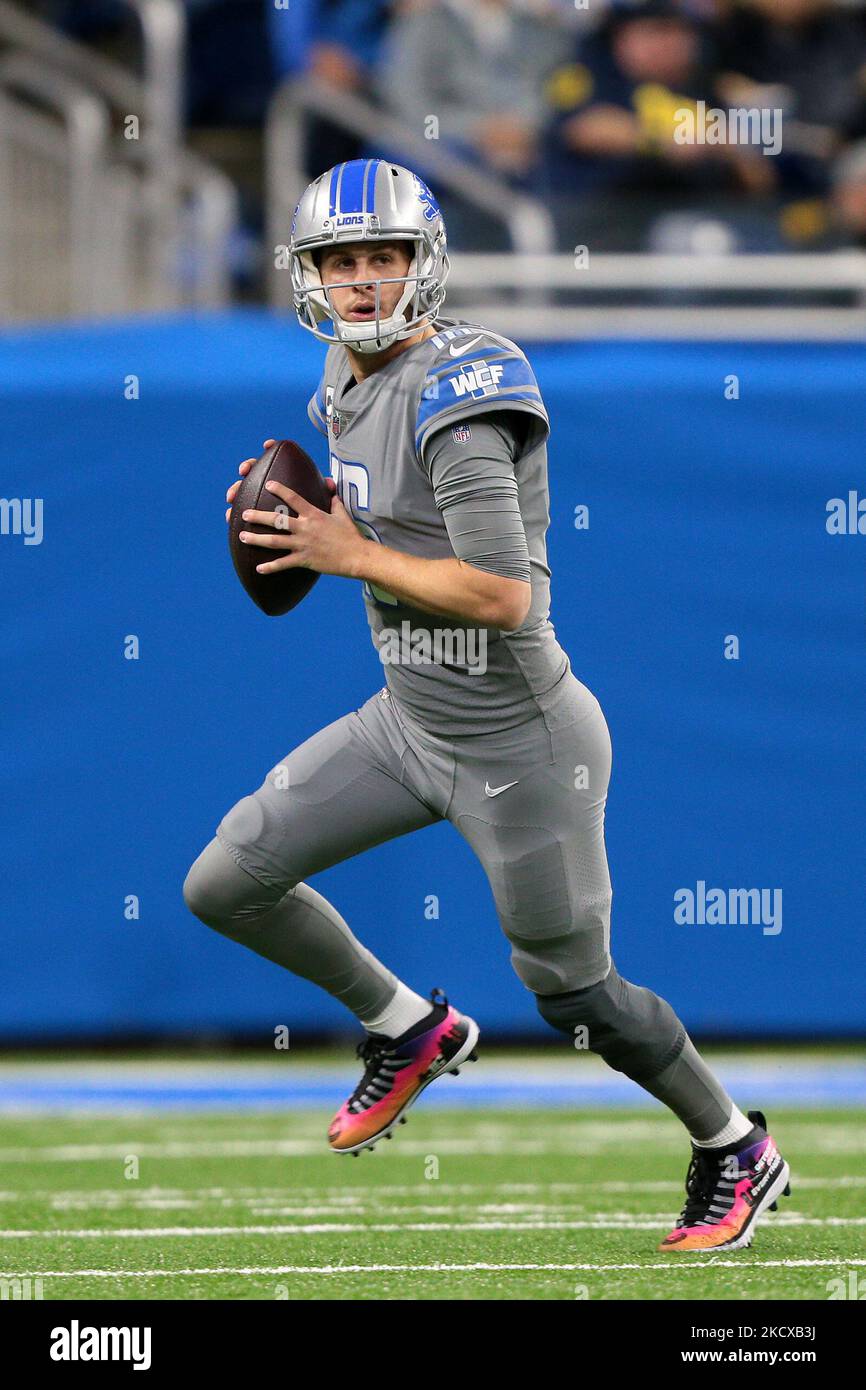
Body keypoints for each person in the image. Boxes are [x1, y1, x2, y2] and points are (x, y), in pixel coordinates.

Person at [183, 158, 791, 1252]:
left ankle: (732, 1142)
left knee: (575, 996)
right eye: (340, 260)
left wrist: (340, 546)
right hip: (409, 720)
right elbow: (377, 524)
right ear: (307, 270)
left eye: (383, 259)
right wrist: (309, 517)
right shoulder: (340, 371)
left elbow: (502, 595)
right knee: (226, 879)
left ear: (424, 264)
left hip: (520, 744)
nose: (363, 283)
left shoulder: (461, 391)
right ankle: (408, 1027)